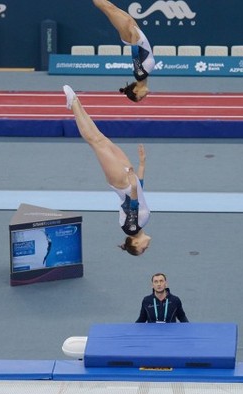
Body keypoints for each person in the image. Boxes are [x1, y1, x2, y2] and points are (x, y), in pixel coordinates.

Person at [64, 85, 152, 256]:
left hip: (121, 182)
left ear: (134, 243)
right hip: (129, 179)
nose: (146, 248)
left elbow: (132, 204)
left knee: (96, 143)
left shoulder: (131, 229)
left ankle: (74, 103)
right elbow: (140, 196)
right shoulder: (140, 225)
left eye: (141, 250)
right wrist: (142, 165)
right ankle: (75, 103)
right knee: (101, 139)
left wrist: (133, 185)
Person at [92, 0, 154, 102]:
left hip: (131, 36)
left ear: (135, 91)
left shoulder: (139, 75)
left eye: (141, 97)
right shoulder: (144, 76)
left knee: (107, 8)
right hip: (136, 33)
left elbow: (135, 55)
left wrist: (133, 34)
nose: (144, 96)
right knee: (110, 7)